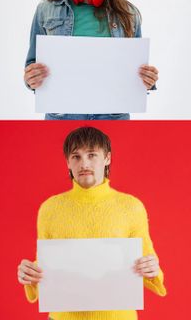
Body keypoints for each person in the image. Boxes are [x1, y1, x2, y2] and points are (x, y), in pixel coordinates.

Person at [17, 126, 165, 319]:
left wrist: (153, 269)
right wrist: (29, 274)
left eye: (92, 155)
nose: (83, 163)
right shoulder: (49, 208)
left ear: (107, 158)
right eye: (76, 157)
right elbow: (47, 264)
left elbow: (148, 262)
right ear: (68, 163)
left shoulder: (131, 207)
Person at [24, 0, 158, 121]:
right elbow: (31, 64)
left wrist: (147, 80)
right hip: (62, 116)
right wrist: (31, 79)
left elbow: (135, 72)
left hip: (113, 116)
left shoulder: (129, 13)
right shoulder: (46, 9)